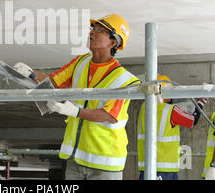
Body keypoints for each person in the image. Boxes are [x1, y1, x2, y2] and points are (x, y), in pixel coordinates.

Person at [15, 14, 140, 180]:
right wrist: (31, 74)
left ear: (113, 42)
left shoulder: (124, 80)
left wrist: (75, 111)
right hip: (76, 158)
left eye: (100, 30)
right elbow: (54, 81)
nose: (92, 33)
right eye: (93, 28)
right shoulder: (80, 62)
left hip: (105, 163)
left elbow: (110, 115)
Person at [137, 74, 207, 180]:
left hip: (146, 168)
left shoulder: (144, 108)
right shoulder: (170, 110)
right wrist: (201, 102)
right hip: (164, 171)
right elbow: (192, 121)